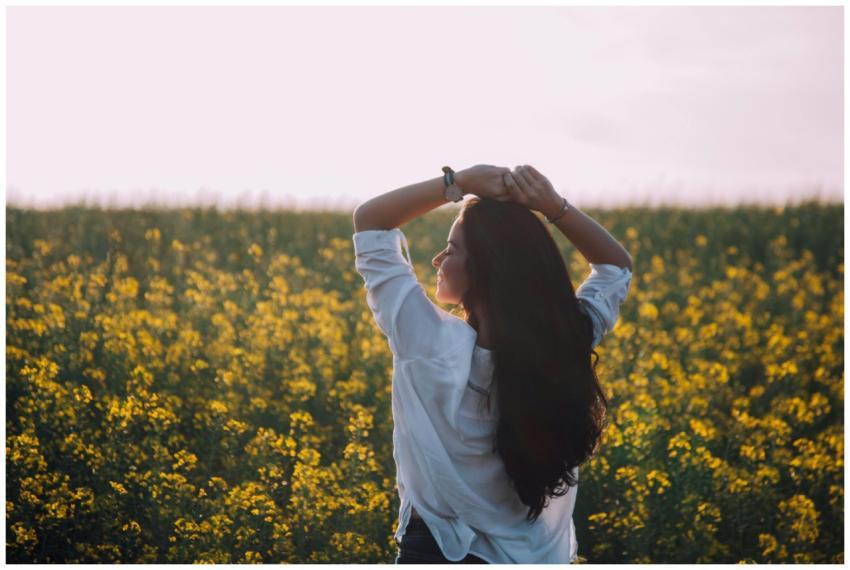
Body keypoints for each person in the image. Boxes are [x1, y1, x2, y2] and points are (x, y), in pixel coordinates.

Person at [352, 164, 633, 564]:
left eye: (451, 250)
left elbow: (370, 221)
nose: (436, 260)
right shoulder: (565, 340)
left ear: (484, 270)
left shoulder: (427, 343)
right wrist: (553, 206)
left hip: (438, 551)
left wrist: (458, 182)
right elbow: (616, 266)